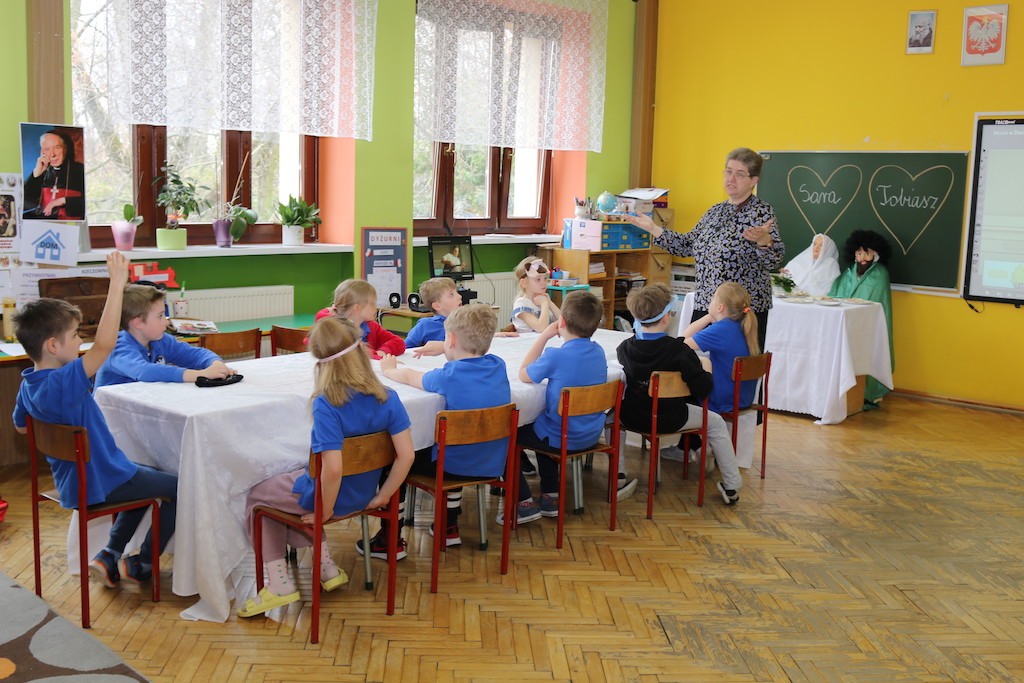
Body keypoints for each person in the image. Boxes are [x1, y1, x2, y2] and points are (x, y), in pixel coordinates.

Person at [11, 252, 178, 587]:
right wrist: (116, 284)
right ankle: (143, 563)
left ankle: (109, 555)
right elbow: (103, 346)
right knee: (179, 486)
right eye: (75, 335)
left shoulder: (29, 384)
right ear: (53, 345)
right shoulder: (63, 382)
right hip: (100, 482)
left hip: (77, 482)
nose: (80, 341)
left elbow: (20, 426)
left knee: (144, 475)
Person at [237, 316, 415, 617]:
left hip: (329, 499)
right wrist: (384, 495)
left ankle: (280, 584)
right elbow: (407, 456)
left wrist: (325, 511)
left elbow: (332, 470)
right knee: (284, 489)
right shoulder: (388, 397)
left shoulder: (327, 403)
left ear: (320, 363)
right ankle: (326, 567)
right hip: (364, 494)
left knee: (258, 497)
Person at [624, 147, 784, 350]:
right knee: (697, 364)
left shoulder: (761, 212)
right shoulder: (714, 211)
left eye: (739, 174)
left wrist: (764, 241)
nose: (731, 178)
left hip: (738, 311)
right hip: (707, 306)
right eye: (728, 171)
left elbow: (773, 260)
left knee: (733, 365)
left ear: (754, 180)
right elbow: (687, 245)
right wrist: (653, 228)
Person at [380, 304, 511, 546]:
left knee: (394, 458)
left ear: (450, 339)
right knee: (455, 444)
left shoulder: (449, 375)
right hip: (492, 462)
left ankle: (389, 540)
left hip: (453, 465)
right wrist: (447, 346)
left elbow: (409, 376)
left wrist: (389, 369)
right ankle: (448, 524)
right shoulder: (498, 365)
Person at [510, 290, 635, 525]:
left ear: (562, 322)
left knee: (510, 434)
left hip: (561, 437)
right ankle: (550, 494)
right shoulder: (598, 351)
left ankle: (524, 502)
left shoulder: (555, 355)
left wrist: (544, 336)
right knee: (542, 424)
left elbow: (524, 374)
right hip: (589, 434)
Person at [617, 283, 743, 505]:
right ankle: (732, 485)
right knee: (716, 424)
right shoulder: (679, 350)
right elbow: (703, 389)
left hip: (632, 417)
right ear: (666, 318)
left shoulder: (624, 348)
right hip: (672, 418)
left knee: (612, 418)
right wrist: (707, 368)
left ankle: (618, 475)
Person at [681, 282, 760, 498]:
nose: (711, 301)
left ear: (720, 307)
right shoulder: (742, 325)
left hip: (722, 398)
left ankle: (698, 447)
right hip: (742, 396)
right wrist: (711, 316)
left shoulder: (720, 329)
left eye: (714, 298)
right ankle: (700, 448)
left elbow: (681, 342)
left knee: (682, 392)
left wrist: (707, 317)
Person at [96, 284, 236, 387]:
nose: (166, 321)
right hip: (110, 416)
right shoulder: (117, 348)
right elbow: (144, 371)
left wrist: (216, 364)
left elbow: (193, 354)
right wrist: (199, 375)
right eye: (160, 316)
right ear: (138, 323)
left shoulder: (161, 339)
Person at [829, 230, 893, 406]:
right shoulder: (849, 272)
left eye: (867, 253)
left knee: (866, 354)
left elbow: (877, 300)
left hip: (867, 324)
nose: (862, 258)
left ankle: (867, 392)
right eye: (859, 253)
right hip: (848, 321)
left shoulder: (880, 274)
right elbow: (836, 293)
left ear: (876, 254)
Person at [315, 279, 405, 359]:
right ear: (357, 308)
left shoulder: (371, 326)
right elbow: (357, 354)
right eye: (372, 303)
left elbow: (399, 342)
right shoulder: (336, 328)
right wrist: (378, 356)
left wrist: (383, 351)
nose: (376, 307)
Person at [23, 130, 86, 220]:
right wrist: (36, 174)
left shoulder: (80, 170)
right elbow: (23, 204)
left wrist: (63, 201)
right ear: (42, 152)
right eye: (47, 149)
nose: (52, 154)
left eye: (56, 148)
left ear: (65, 149)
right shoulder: (41, 172)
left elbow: (89, 203)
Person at [404, 277, 462, 352]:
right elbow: (405, 347)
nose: (460, 296)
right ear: (437, 306)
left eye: (457, 292)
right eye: (451, 295)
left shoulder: (466, 323)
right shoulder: (425, 325)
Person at [510, 256, 561, 334]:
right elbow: (541, 328)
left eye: (545, 278)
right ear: (524, 283)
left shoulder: (543, 300)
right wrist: (544, 304)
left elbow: (563, 323)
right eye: (538, 279)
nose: (543, 283)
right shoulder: (521, 303)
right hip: (527, 341)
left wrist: (550, 303)